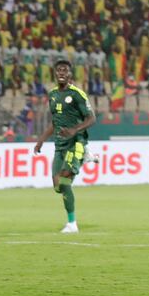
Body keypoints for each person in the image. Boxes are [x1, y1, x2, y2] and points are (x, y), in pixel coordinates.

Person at [34, 60, 96, 233]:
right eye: (59, 70)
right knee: (57, 186)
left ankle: (72, 224)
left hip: (76, 142)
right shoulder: (52, 95)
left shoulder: (77, 94)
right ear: (55, 73)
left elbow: (92, 119)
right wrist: (41, 140)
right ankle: (85, 157)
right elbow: (55, 122)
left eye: (65, 70)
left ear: (70, 74)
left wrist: (74, 130)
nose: (61, 73)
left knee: (65, 181)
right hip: (60, 145)